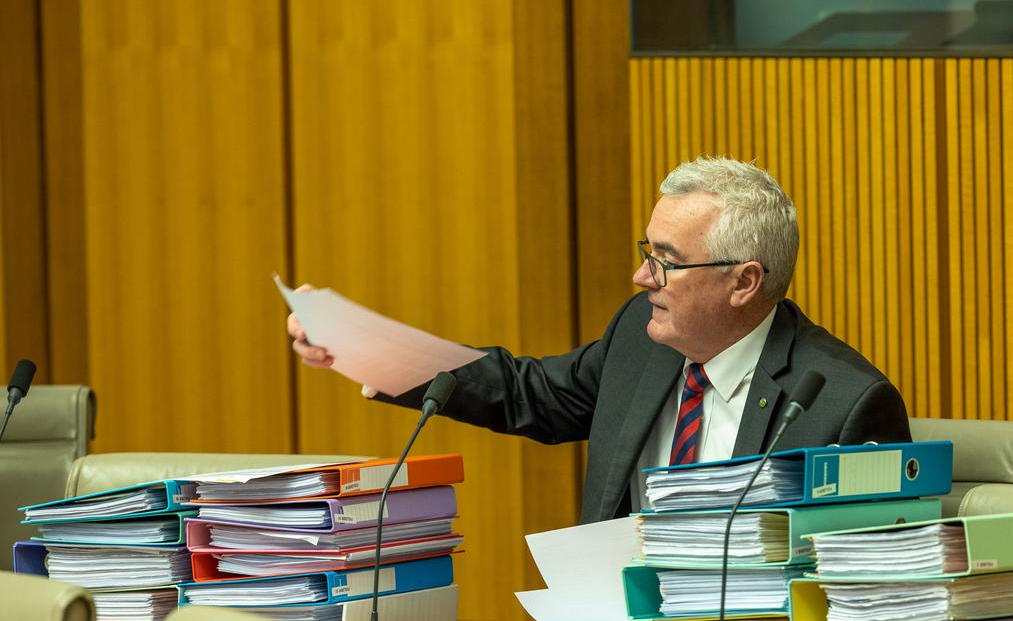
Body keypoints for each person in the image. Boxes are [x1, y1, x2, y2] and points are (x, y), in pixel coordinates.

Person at [289, 157, 911, 524]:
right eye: (647, 252)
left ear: (744, 282)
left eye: (666, 260)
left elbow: (868, 588)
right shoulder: (642, 344)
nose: (643, 277)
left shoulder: (843, 405)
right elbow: (526, 392)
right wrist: (365, 346)